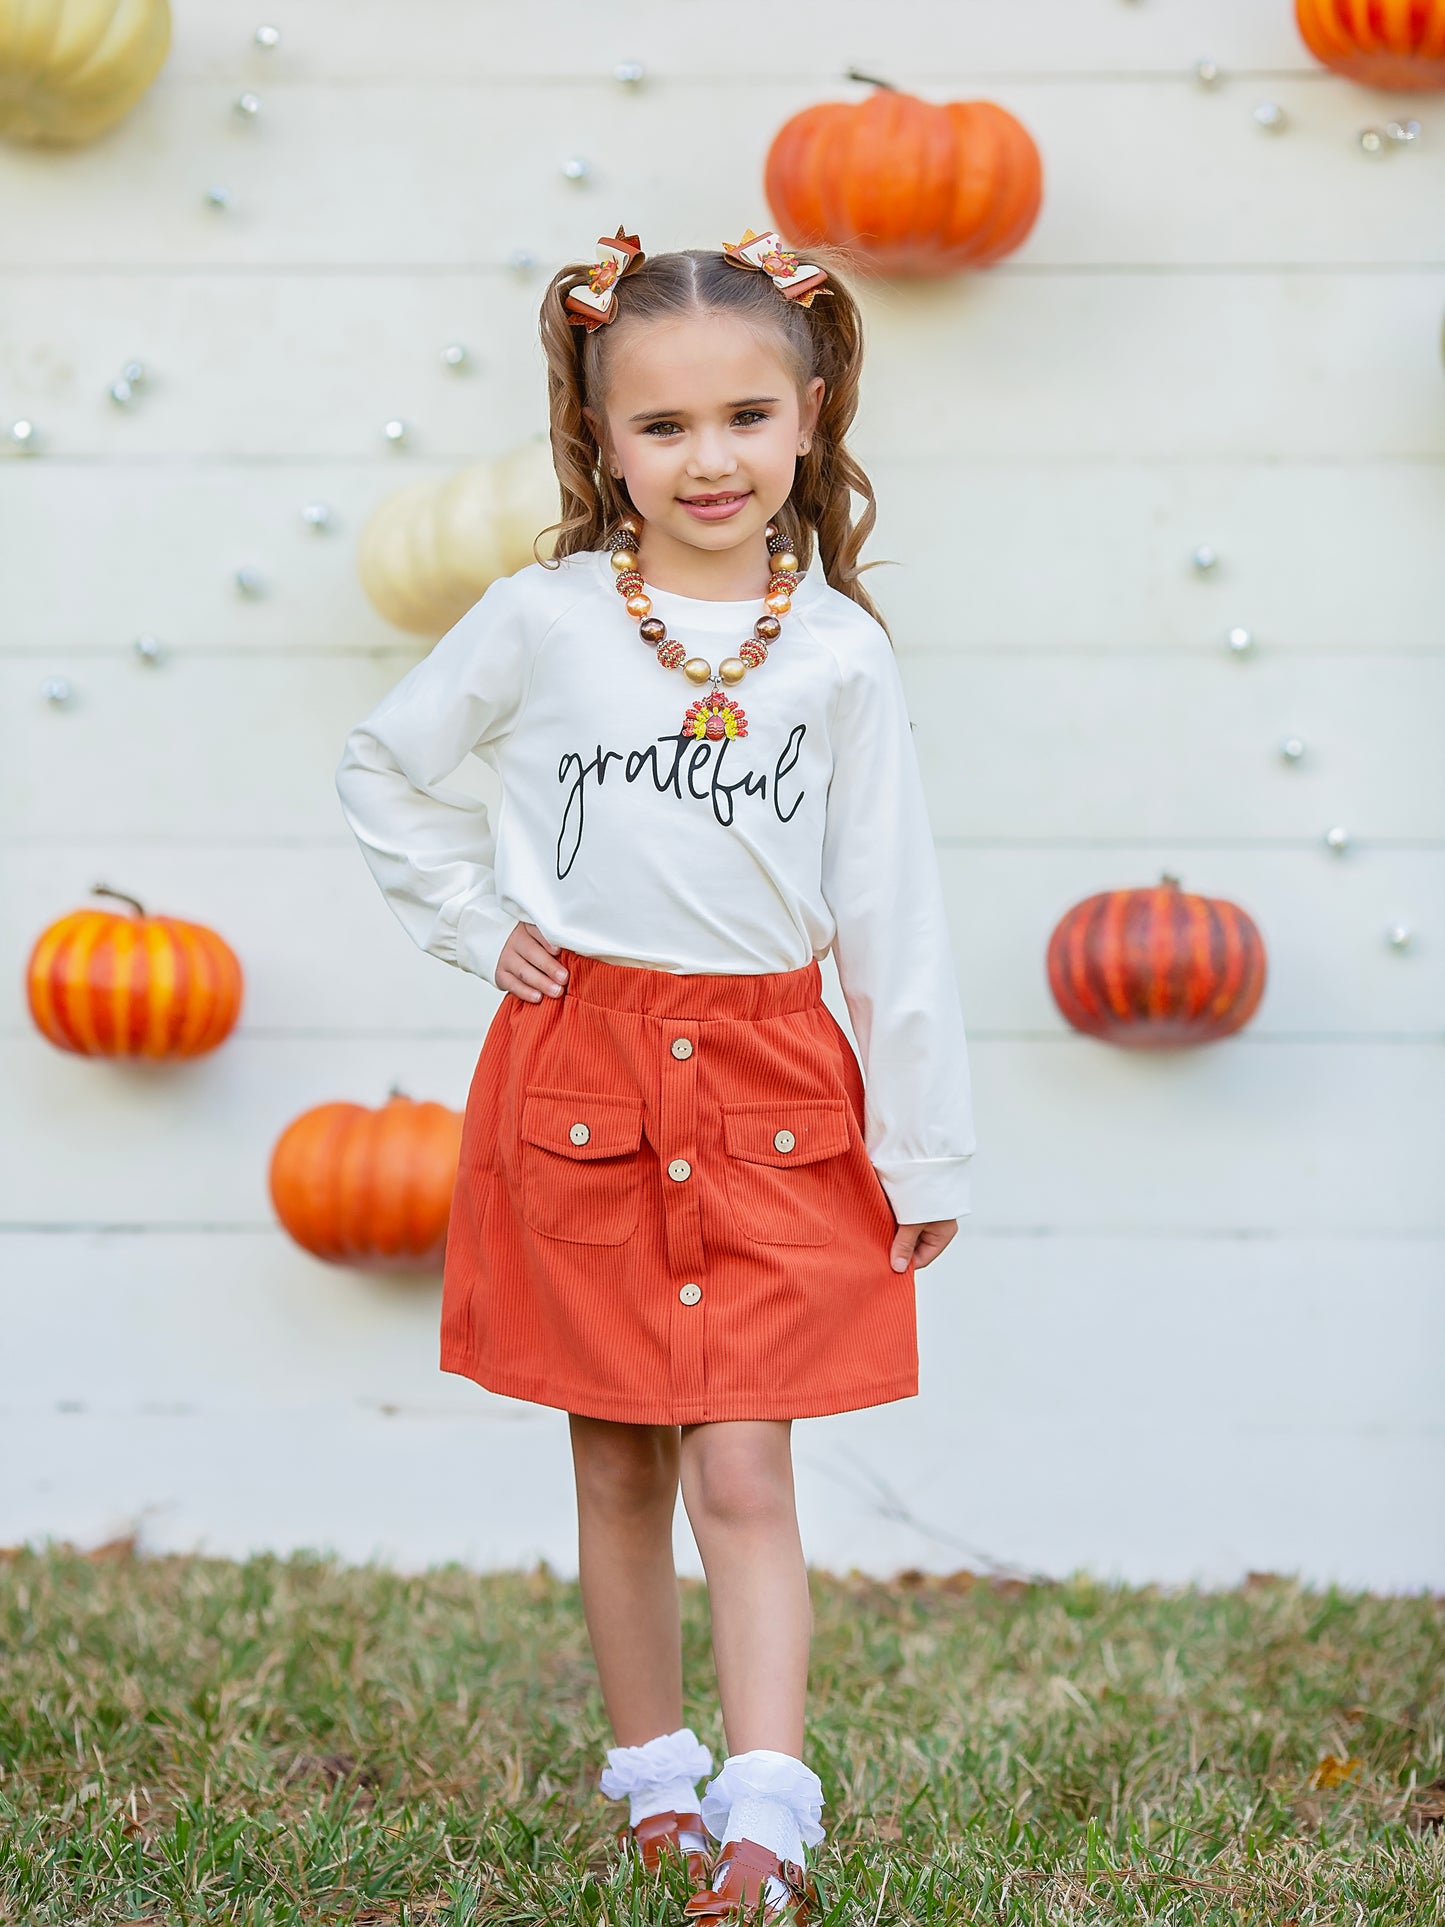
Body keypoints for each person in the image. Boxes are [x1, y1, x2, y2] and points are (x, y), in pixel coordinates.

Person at [334, 222, 976, 1923]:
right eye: (665, 426)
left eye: (748, 417)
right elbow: (386, 768)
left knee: (747, 1459)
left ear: (813, 411)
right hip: (582, 1078)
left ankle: (769, 1807)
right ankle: (654, 1785)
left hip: (772, 1079)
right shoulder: (539, 621)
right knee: (615, 1453)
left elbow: (890, 911)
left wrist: (923, 1150)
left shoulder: (834, 655)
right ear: (599, 440)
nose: (711, 459)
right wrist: (482, 927)